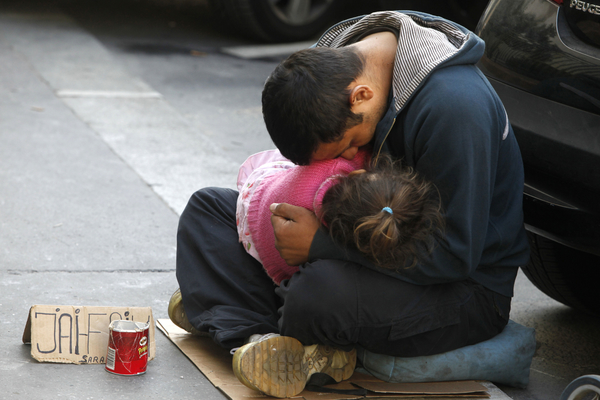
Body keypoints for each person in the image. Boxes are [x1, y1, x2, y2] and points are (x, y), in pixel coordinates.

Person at [171, 9, 530, 398]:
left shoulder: (455, 109)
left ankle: (230, 313)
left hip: (461, 288)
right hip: (359, 247)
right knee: (208, 210)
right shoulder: (335, 61)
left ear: (361, 96)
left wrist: (320, 246)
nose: (354, 155)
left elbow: (455, 254)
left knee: (317, 293)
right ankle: (262, 341)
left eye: (351, 145)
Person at [235, 148, 444, 285]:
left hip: (255, 201)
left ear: (356, 174)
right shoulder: (342, 244)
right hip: (270, 261)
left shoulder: (333, 165)